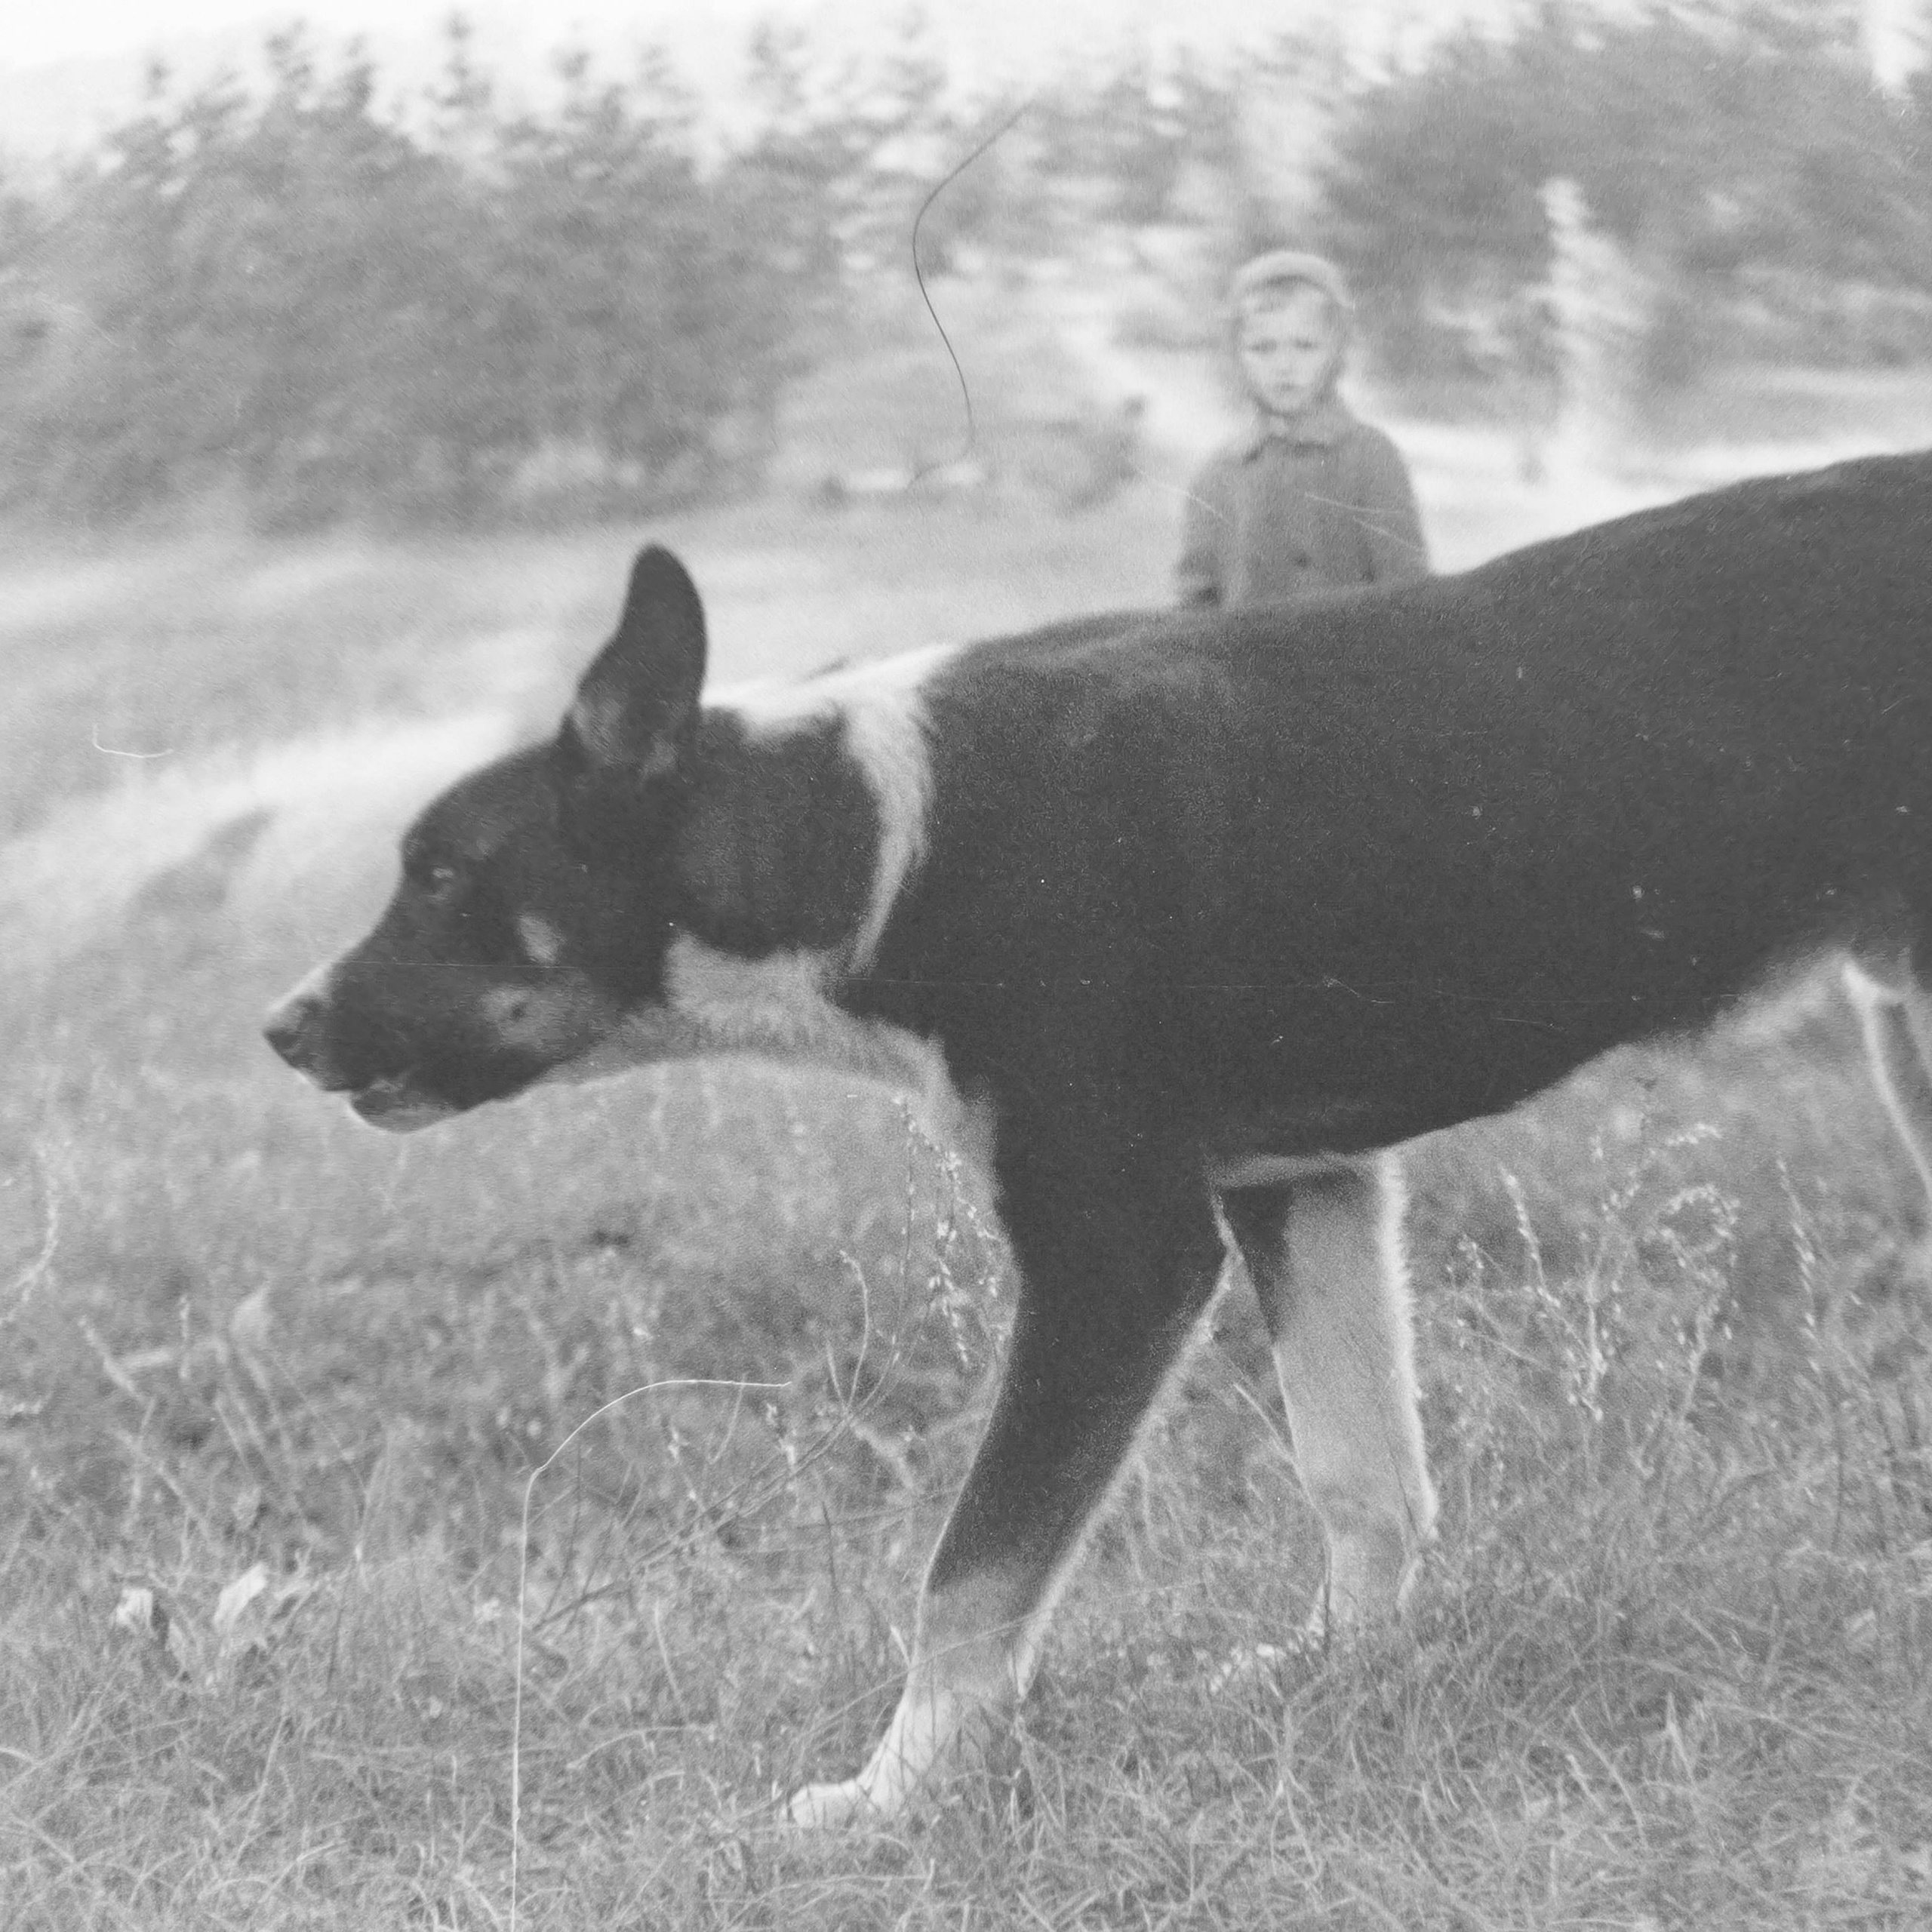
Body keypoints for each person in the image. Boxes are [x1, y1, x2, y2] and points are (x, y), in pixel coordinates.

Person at [1176, 250, 1428, 609]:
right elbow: (1193, 609)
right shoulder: (1218, 475)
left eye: (1305, 346)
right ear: (1236, 354)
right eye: (1262, 348)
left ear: (1335, 350)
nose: (1284, 365)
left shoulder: (1370, 457)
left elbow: (1410, 596)